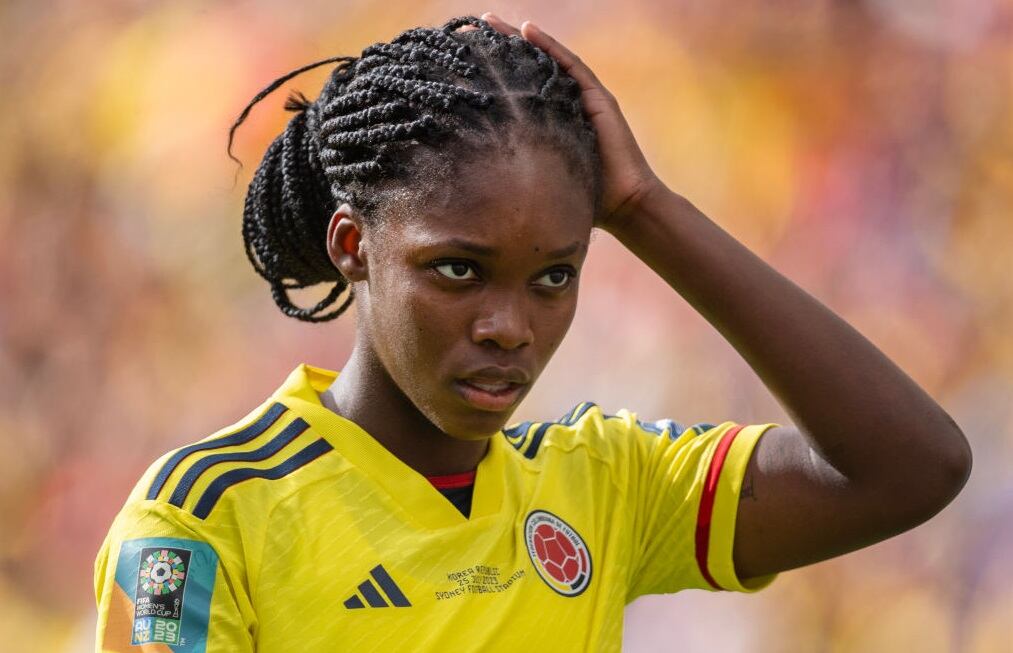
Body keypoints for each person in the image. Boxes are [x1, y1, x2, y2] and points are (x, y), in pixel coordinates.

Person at [92, 13, 972, 652]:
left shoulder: (605, 484)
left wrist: (646, 210)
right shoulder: (204, 517)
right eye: (459, 270)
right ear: (354, 247)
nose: (509, 327)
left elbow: (909, 467)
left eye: (554, 275)